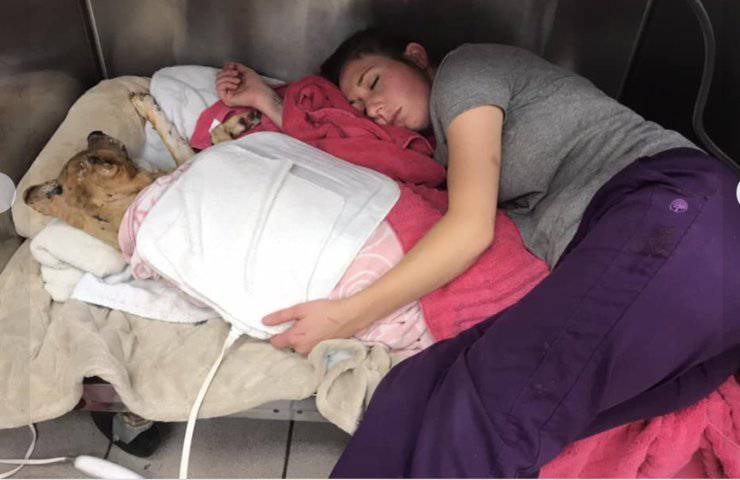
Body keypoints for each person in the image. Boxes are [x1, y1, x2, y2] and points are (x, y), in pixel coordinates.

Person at [217, 28, 740, 476]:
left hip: (673, 206)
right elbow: (348, 144)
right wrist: (269, 103)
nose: (372, 108)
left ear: (416, 57)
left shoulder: (465, 71)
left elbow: (469, 229)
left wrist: (347, 315)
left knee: (486, 409)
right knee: (416, 388)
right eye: (358, 105)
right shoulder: (441, 155)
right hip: (678, 289)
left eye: (373, 82)